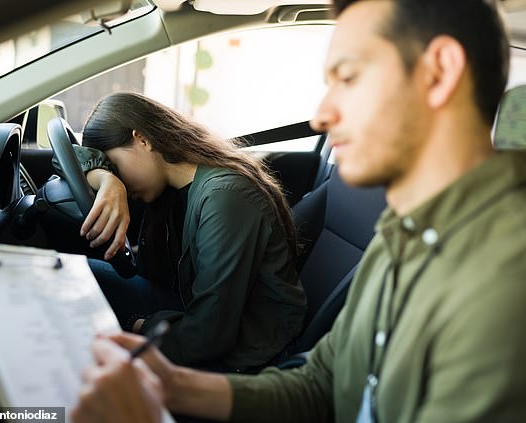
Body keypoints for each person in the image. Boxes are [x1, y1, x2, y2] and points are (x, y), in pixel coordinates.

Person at [71, 0, 526, 422]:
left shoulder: (504, 280)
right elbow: (322, 384)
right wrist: (171, 387)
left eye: (348, 78)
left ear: (438, 72)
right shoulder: (400, 235)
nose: (321, 116)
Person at [57, 92, 307, 372]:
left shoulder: (224, 196)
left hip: (251, 352)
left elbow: (209, 335)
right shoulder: (176, 190)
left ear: (142, 140)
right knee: (73, 275)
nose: (120, 182)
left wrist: (139, 327)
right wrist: (106, 179)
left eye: (116, 167)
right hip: (199, 314)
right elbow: (67, 159)